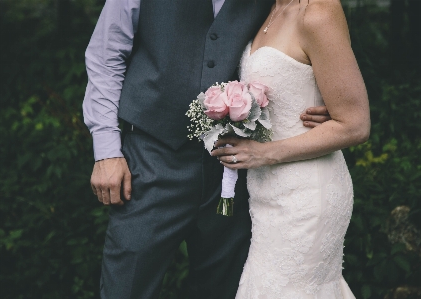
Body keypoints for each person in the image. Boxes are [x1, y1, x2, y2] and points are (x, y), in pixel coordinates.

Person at [83, 0, 331, 298]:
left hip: (236, 169)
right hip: (150, 162)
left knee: (224, 289)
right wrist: (107, 149)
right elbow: (105, 58)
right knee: (126, 288)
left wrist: (318, 95)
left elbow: (293, 49)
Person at [211, 0, 370, 297]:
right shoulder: (265, 10)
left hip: (307, 196)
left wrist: (263, 153)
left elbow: (356, 124)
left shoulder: (319, 11)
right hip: (265, 196)